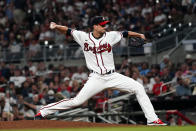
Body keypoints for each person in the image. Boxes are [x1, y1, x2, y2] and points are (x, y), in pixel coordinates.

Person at [34, 16, 166, 125]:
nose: (105, 27)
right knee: (77, 101)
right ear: (95, 26)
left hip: (112, 76)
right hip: (96, 78)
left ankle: (152, 119)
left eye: (105, 25)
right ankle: (43, 111)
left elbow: (125, 33)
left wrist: (140, 34)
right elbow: (68, 31)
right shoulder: (83, 37)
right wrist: (56, 26)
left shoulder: (111, 36)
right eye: (102, 25)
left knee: (138, 87)